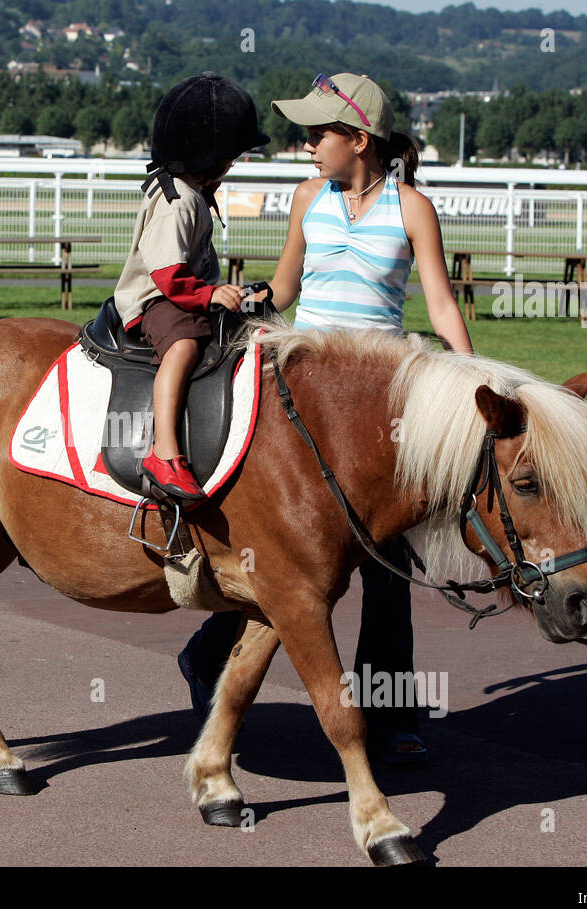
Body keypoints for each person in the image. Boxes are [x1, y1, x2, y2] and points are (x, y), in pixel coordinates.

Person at [178, 73, 474, 765]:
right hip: (302, 397)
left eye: (318, 133)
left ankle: (394, 714)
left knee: (385, 563)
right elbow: (285, 288)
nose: (306, 144)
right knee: (282, 550)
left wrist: (471, 378)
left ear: (360, 139)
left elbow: (439, 305)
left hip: (381, 408)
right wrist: (241, 299)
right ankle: (206, 656)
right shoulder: (309, 198)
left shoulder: (413, 209)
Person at [113, 72, 266, 500]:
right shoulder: (177, 201)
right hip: (157, 300)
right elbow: (166, 275)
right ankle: (164, 453)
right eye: (230, 157)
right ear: (209, 155)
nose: (231, 165)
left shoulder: (192, 191)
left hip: (182, 291)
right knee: (183, 347)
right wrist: (210, 295)